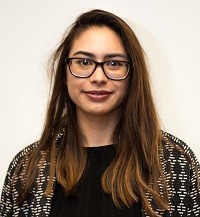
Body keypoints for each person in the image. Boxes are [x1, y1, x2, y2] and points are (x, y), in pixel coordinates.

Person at [0, 9, 199, 217]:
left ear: (132, 75)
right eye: (84, 62)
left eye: (114, 63)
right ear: (65, 74)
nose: (98, 77)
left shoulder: (177, 163)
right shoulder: (26, 169)